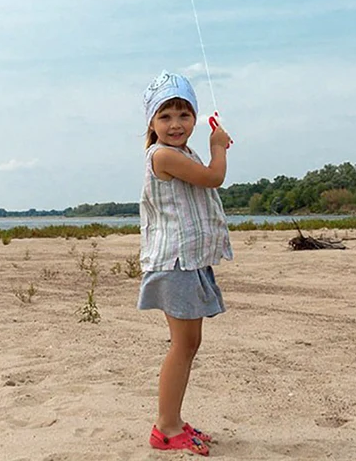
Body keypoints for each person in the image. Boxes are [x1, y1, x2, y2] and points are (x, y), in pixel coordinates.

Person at [138, 71, 234, 456]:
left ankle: (173, 420)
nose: (175, 124)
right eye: (165, 116)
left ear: (194, 117)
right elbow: (214, 177)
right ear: (151, 122)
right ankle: (166, 427)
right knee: (182, 346)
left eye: (183, 115)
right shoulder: (163, 155)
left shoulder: (180, 153)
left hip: (188, 260)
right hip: (174, 262)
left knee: (189, 343)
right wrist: (220, 145)